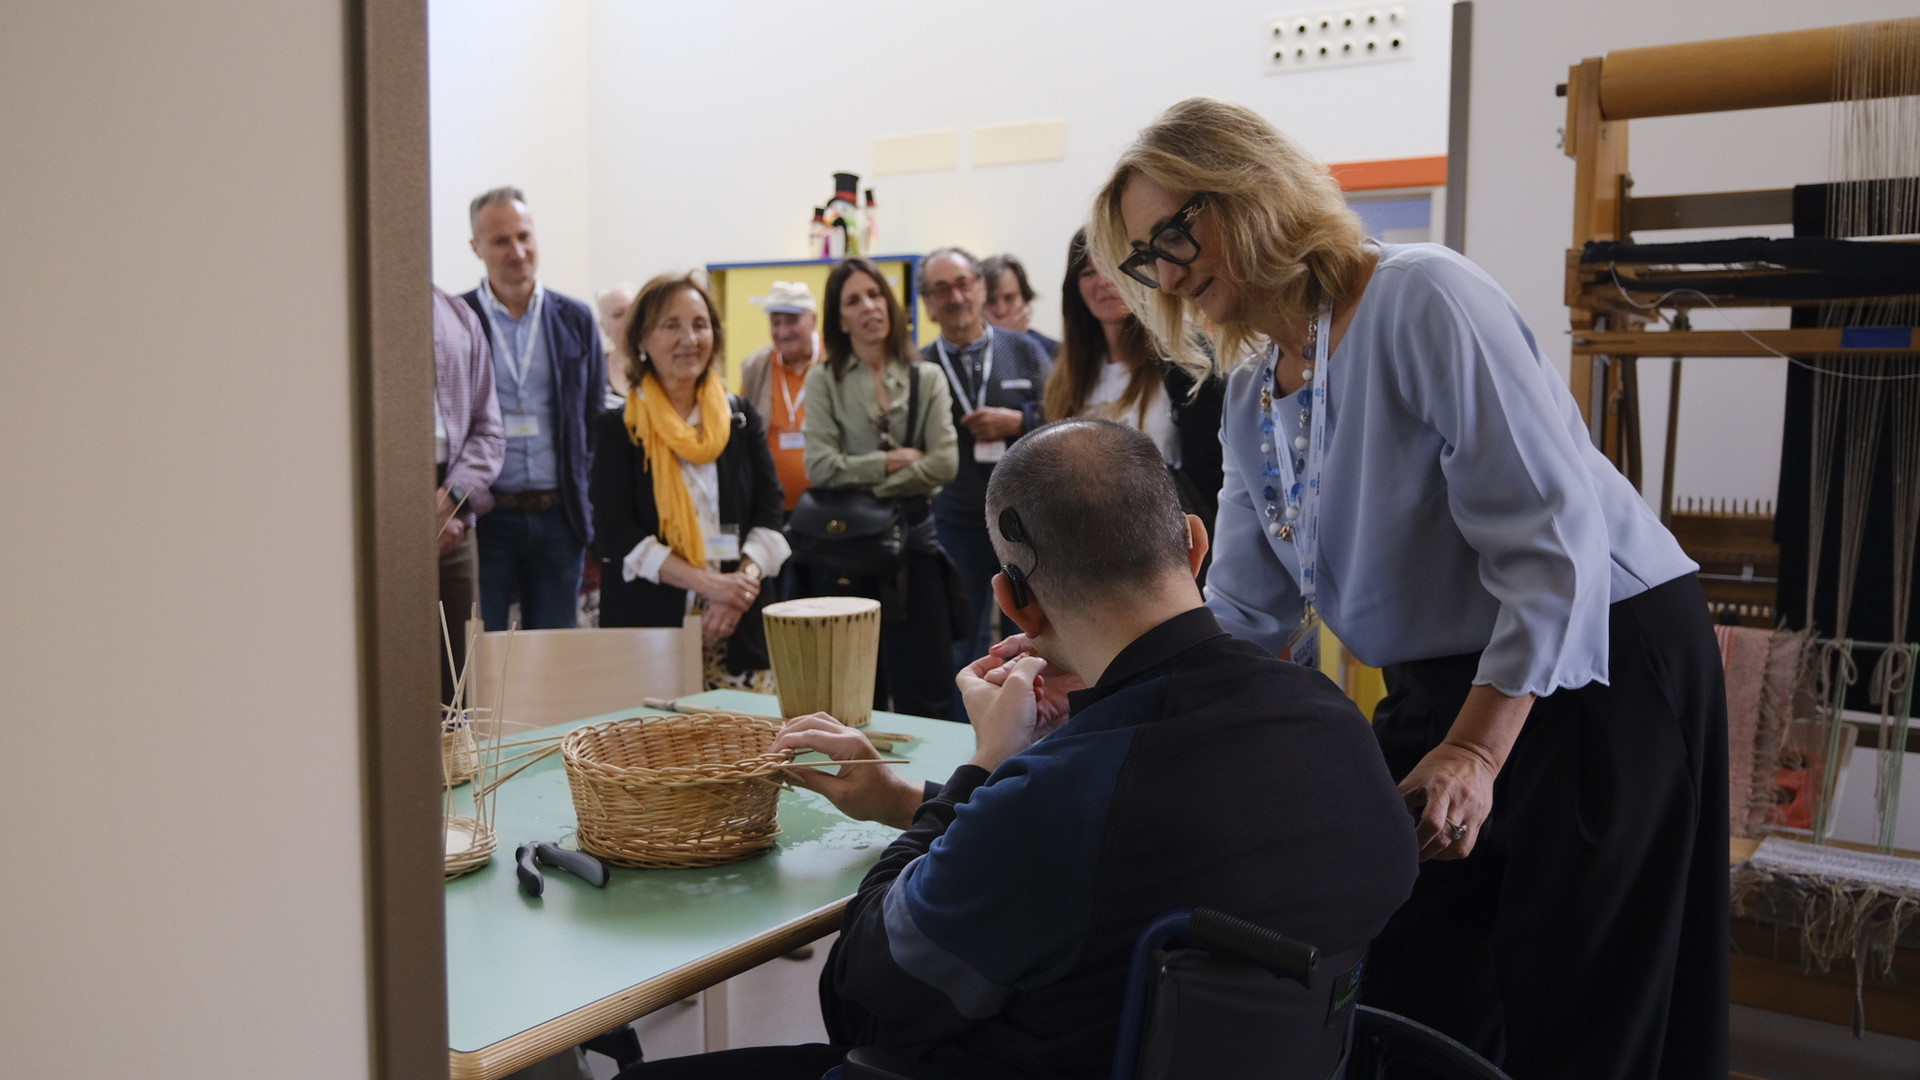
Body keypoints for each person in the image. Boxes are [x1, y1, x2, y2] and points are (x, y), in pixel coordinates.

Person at [1079, 96, 1728, 1080]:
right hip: (1443, 683)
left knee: (1582, 996)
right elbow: (1249, 615)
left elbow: (1555, 548)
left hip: (1599, 657)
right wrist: (1105, 675)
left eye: (1178, 228)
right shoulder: (1254, 395)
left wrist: (1474, 748)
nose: (1168, 267)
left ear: (1252, 189)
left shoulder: (1418, 297)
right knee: (1408, 967)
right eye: (1144, 254)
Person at [615, 420, 1418, 1080]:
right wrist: (913, 797)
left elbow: (864, 993)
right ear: (1195, 543)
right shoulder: (1333, 721)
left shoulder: (1064, 790)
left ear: (1011, 599)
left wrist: (985, 767)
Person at [589, 273, 788, 685]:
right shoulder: (619, 428)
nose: (689, 339)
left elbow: (770, 510)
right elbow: (615, 532)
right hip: (651, 627)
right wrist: (707, 584)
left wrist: (739, 590)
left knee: (746, 747)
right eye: (671, 325)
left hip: (740, 626)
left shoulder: (741, 418)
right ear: (641, 340)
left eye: (700, 324)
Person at [799, 257, 960, 720]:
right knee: (851, 695)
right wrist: (890, 462)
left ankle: (933, 791)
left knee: (927, 689)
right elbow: (820, 467)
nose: (869, 306)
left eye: (875, 295)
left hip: (915, 545)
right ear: (839, 318)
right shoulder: (824, 380)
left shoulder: (925, 376)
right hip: (846, 549)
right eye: (853, 300)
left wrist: (869, 483)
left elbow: (945, 462)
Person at [461, 186, 607, 630]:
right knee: (479, 657)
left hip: (558, 519)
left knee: (554, 660)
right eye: (501, 241)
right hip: (487, 518)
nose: (517, 251)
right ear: (476, 248)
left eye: (524, 236)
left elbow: (592, 420)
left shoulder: (575, 319)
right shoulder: (457, 318)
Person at [1041, 228, 1224, 555]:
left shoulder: (1189, 360)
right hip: (1088, 552)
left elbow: (1208, 475)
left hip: (1171, 549)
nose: (1103, 283)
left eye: (1112, 267)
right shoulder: (1067, 375)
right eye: (1087, 273)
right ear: (1075, 288)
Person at [917, 247, 1052, 684]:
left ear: (980, 288)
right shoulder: (919, 367)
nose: (954, 297)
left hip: (1025, 521)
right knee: (963, 641)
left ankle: (1033, 732)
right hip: (953, 520)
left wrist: (1019, 421)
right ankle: (965, 738)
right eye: (940, 290)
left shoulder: (1025, 351)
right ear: (927, 303)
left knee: (1035, 637)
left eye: (962, 284)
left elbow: (1061, 416)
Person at [433, 286, 504, 701]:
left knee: (459, 678)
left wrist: (452, 499)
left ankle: (455, 767)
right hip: (377, 502)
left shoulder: (459, 316)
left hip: (455, 503)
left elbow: (489, 430)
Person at [738, 281, 820, 516]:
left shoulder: (835, 362)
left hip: (829, 505)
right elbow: (744, 435)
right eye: (776, 322)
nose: (783, 331)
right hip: (771, 507)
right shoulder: (756, 368)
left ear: (813, 320)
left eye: (792, 321)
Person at [980, 252, 1060, 359]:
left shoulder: (1053, 351)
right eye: (991, 300)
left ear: (1025, 297)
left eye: (1009, 298)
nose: (1001, 310)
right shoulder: (967, 353)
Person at [595, 282, 638, 409]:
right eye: (618, 314)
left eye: (634, 312)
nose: (629, 320)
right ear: (604, 326)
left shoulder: (660, 366)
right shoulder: (594, 370)